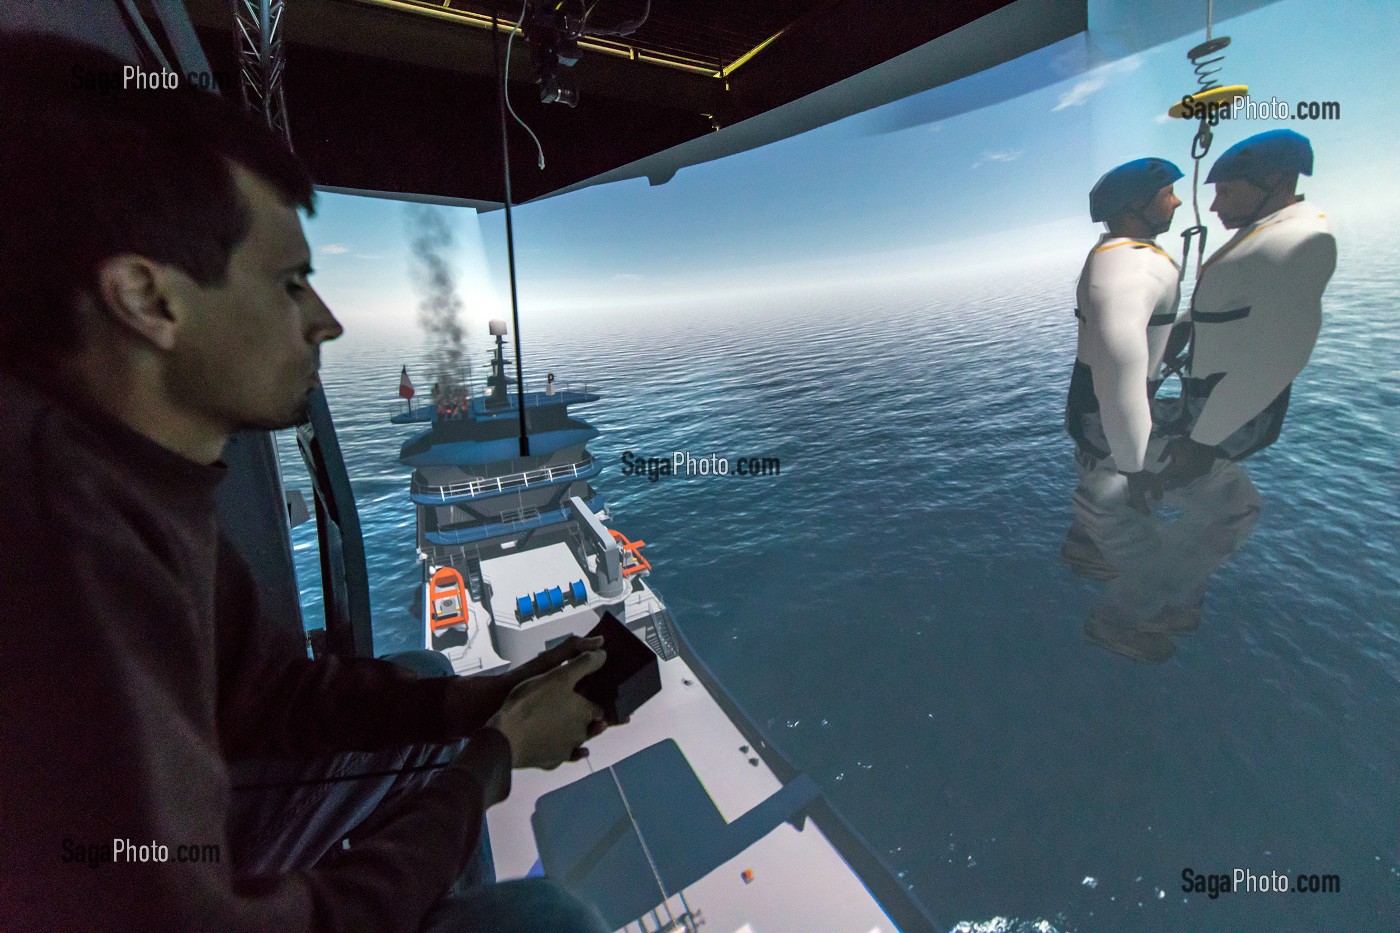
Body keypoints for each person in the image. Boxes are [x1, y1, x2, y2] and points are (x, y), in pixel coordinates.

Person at [0, 32, 611, 933]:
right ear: (149, 299)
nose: (325, 322)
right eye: (290, 284)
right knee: (552, 923)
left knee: (424, 674)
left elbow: (265, 696)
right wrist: (493, 758)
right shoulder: (61, 550)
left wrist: (472, 704)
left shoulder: (123, 469)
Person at [1157, 129, 1337, 489]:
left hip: (1227, 421)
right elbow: (1228, 301)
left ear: (1276, 181)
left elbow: (1278, 359)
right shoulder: (1266, 230)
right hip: (1206, 404)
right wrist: (1176, 335)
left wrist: (1202, 442)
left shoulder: (1298, 243)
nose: (1213, 206)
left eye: (1226, 192)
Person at [1061, 158, 1188, 662]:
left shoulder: (1116, 257)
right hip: (1108, 418)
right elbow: (1118, 376)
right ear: (1135, 204)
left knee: (1103, 489)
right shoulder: (1129, 267)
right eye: (1166, 192)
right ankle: (1115, 625)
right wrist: (1136, 469)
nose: (1177, 200)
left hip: (1097, 414)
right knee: (1148, 538)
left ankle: (1088, 544)